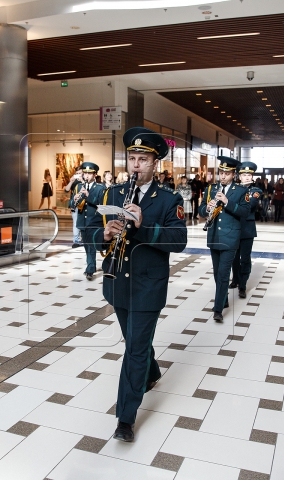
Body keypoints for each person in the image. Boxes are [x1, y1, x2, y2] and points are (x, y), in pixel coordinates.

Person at [85, 127, 186, 443]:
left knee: (134, 350)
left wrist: (143, 227)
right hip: (117, 282)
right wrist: (102, 235)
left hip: (147, 286)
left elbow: (179, 241)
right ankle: (152, 372)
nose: (136, 164)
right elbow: (88, 230)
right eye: (132, 158)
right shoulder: (112, 194)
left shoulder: (169, 199)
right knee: (135, 341)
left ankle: (125, 418)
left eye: (143, 159)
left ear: (155, 163)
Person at [199, 156, 249, 322]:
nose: (223, 176)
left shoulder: (241, 191)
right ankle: (224, 299)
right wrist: (207, 207)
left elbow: (244, 212)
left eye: (227, 173)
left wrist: (227, 202)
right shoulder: (211, 189)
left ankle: (218, 309)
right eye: (221, 172)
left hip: (230, 237)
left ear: (233, 174)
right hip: (214, 236)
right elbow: (200, 211)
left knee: (223, 274)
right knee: (216, 273)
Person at [230, 161, 261, 299]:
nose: (247, 177)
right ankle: (235, 279)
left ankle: (242, 285)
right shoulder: (233, 189)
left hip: (247, 229)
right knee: (234, 258)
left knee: (245, 258)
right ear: (239, 176)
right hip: (234, 227)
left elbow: (249, 204)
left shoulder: (256, 191)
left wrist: (231, 202)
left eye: (249, 175)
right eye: (244, 175)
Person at [70, 162, 104, 280]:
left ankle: (90, 269)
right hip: (82, 222)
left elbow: (101, 203)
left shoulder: (100, 187)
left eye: (90, 173)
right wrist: (74, 200)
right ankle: (91, 266)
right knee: (87, 246)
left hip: (94, 221)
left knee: (91, 246)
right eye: (85, 173)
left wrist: (88, 195)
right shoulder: (78, 187)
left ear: (95, 174)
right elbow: (71, 203)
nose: (87, 176)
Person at [64, 166, 84, 248]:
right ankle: (76, 240)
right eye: (77, 173)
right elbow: (66, 190)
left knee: (83, 222)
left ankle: (83, 239)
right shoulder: (74, 181)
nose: (79, 175)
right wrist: (71, 181)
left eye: (80, 173)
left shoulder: (86, 180)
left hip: (84, 203)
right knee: (76, 222)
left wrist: (82, 181)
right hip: (75, 204)